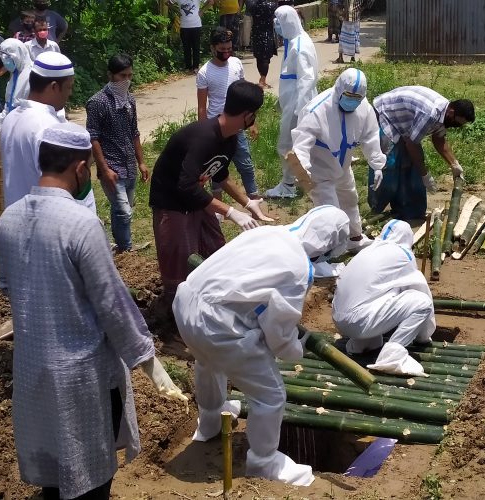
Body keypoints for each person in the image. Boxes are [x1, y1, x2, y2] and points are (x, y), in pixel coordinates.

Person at [0, 121, 186, 500]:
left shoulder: (7, 221)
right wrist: (148, 361)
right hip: (81, 378)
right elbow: (112, 303)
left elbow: (6, 287)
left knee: (53, 474)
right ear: (81, 169)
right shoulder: (81, 224)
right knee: (91, 475)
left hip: (33, 370)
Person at [172, 205, 350, 486]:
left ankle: (210, 421)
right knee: (270, 396)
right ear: (327, 246)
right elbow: (278, 335)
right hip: (218, 325)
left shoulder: (268, 232)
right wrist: (296, 348)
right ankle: (264, 461)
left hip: (186, 303)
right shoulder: (298, 268)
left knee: (208, 362)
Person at [150, 80, 273, 313]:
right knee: (179, 259)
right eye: (254, 115)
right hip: (171, 201)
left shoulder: (231, 137)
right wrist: (229, 211)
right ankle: (174, 315)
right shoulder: (204, 137)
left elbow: (221, 174)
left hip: (194, 196)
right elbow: (185, 186)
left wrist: (247, 203)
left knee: (216, 246)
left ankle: (212, 299)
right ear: (247, 115)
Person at [290, 68, 385, 252]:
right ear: (339, 88)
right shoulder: (317, 110)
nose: (353, 101)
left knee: (350, 199)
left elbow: (371, 135)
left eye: (357, 98)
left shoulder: (363, 107)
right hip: (320, 170)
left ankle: (355, 238)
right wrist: (302, 170)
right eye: (349, 95)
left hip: (343, 165)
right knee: (331, 213)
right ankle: (326, 252)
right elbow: (301, 143)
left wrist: (377, 164)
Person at [333, 219, 435, 375]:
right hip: (360, 322)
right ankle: (391, 357)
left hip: (339, 321)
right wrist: (423, 336)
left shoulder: (367, 250)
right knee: (422, 302)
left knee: (377, 295)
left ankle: (361, 345)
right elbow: (419, 289)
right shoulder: (404, 254)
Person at [0, 51, 96, 211]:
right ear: (54, 87)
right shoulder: (49, 128)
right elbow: (67, 187)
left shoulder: (10, 119)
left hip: (16, 218)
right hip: (46, 222)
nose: (70, 94)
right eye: (69, 87)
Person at [371, 86, 474, 220]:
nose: (455, 126)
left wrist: (454, 164)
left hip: (405, 123)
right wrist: (425, 175)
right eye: (456, 122)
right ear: (451, 111)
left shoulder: (445, 114)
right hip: (386, 113)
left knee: (410, 163)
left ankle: (406, 210)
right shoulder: (430, 113)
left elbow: (438, 138)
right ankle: (375, 210)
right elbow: (412, 144)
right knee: (388, 163)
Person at [86, 54, 149, 253]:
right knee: (123, 210)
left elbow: (134, 132)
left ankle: (121, 247)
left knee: (124, 208)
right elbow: (93, 137)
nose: (127, 80)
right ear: (110, 75)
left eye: (130, 75)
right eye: (122, 76)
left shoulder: (130, 99)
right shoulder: (97, 102)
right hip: (112, 165)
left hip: (129, 163)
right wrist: (104, 169)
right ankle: (126, 248)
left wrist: (141, 161)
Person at [197, 27, 260, 199]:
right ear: (212, 48)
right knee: (216, 167)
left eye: (229, 49)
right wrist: (202, 132)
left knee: (245, 163)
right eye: (222, 50)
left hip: (238, 126)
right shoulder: (204, 73)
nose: (226, 53)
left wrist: (252, 121)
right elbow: (202, 106)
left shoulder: (236, 63)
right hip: (216, 128)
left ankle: (253, 197)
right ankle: (218, 208)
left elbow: (245, 94)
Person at [264, 5, 317, 199]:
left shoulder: (299, 46)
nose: (276, 25)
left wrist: (300, 110)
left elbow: (306, 80)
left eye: (279, 21)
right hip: (292, 102)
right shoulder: (293, 42)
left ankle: (288, 185)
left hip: (297, 105)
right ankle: (303, 178)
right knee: (302, 145)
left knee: (286, 144)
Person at [0, 38, 34, 129]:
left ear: (18, 55)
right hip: (13, 126)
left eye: (8, 58)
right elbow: (9, 105)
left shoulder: (32, 75)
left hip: (25, 127)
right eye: (3, 58)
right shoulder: (15, 75)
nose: (5, 61)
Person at [245, 0, 278, 89]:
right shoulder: (272, 4)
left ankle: (262, 79)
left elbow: (249, 11)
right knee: (265, 58)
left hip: (256, 32)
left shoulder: (252, 4)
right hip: (267, 33)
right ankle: (262, 80)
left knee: (259, 57)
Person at [171, 0, 203, 72]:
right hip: (184, 26)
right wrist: (177, 10)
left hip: (196, 25)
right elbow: (167, 3)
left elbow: (211, 2)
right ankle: (188, 67)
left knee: (196, 47)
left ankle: (196, 67)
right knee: (186, 47)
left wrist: (202, 10)